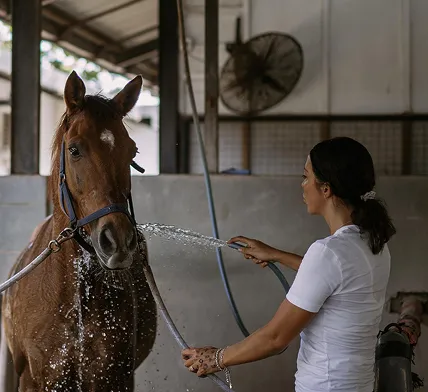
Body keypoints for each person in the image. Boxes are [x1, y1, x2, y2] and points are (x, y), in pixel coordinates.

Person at [181, 136, 396, 392]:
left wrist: (216, 358)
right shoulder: (374, 244)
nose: (302, 185)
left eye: (306, 177)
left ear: (325, 188)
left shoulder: (328, 252)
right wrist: (275, 254)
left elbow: (276, 338)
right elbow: (338, 279)